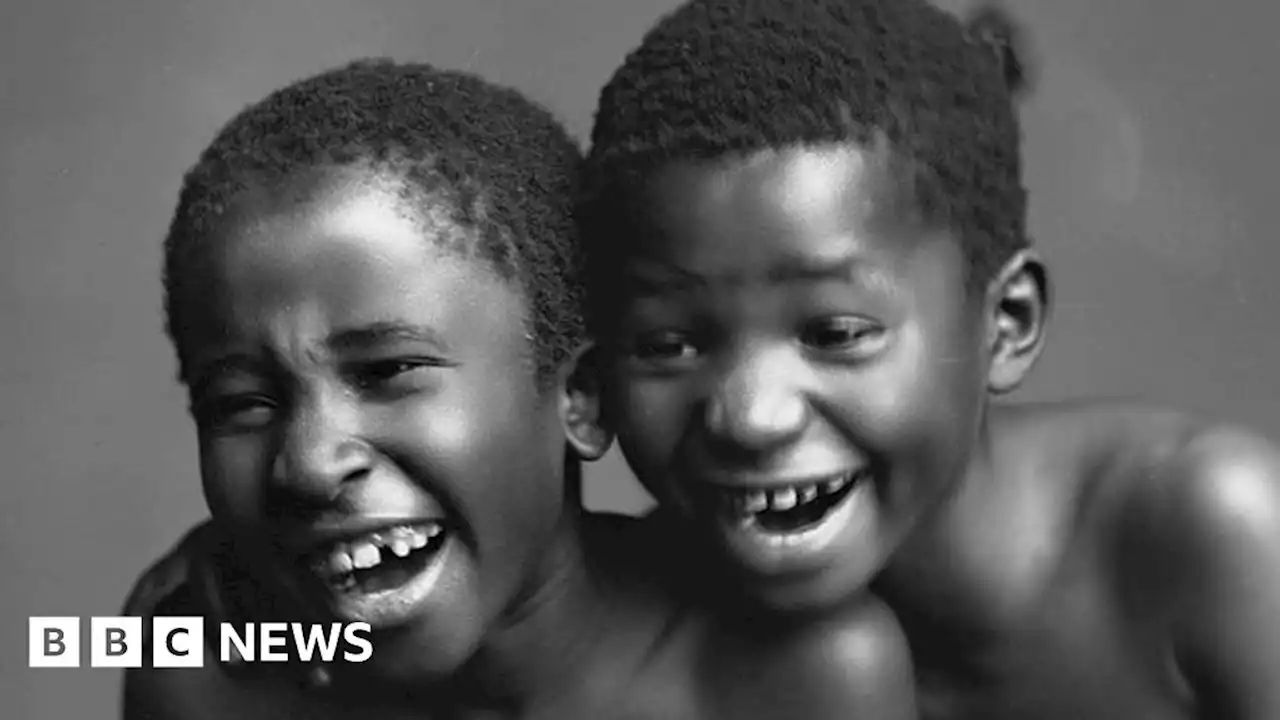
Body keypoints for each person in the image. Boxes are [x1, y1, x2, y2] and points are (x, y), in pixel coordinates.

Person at [121, 58, 917, 719]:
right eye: (240, 405)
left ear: (585, 397)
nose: (306, 464)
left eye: (386, 371)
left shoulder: (794, 675)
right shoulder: (209, 679)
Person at [579, 0, 1280, 717]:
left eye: (836, 333)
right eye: (670, 345)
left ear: (1007, 323)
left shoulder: (1212, 531)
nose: (752, 417)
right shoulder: (661, 637)